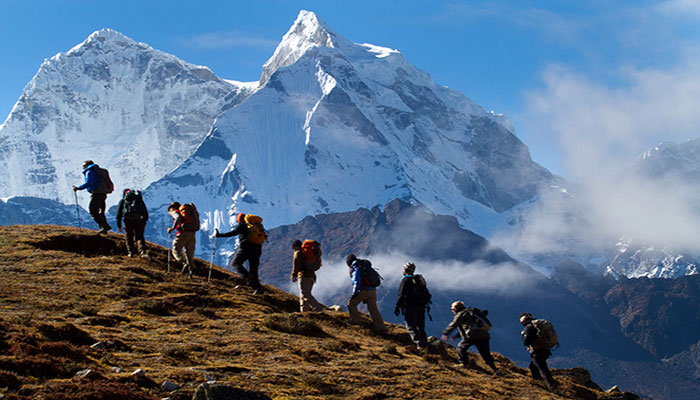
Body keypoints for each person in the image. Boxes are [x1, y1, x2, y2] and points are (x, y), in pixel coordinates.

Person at [441, 301, 500, 374]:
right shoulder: (471, 312)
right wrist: (457, 336)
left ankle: (463, 363)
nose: (452, 311)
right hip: (484, 334)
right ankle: (495, 369)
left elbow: (454, 324)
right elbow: (469, 326)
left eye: (452, 309)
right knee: (485, 353)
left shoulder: (461, 313)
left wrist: (446, 333)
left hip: (473, 334)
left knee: (461, 347)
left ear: (456, 308)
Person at [215, 212, 264, 294]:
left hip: (246, 247)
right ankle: (257, 287)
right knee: (253, 268)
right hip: (257, 248)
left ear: (238, 219)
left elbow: (233, 233)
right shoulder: (254, 225)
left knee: (236, 263)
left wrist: (220, 235)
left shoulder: (242, 224)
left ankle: (247, 278)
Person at [346, 254, 386, 333]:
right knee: (373, 309)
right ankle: (381, 327)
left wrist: (354, 293)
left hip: (364, 290)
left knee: (351, 304)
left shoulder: (356, 267)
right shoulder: (364, 265)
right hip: (373, 291)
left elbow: (356, 281)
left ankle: (357, 321)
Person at [394, 262, 430, 350]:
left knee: (410, 325)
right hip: (421, 306)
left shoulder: (405, 280)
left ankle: (420, 344)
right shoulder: (418, 280)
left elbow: (401, 294)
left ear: (405, 270)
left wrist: (397, 306)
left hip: (410, 306)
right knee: (420, 326)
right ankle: (425, 344)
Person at [72, 160, 112, 234]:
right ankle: (103, 229)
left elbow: (89, 183)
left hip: (96, 193)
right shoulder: (99, 171)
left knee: (93, 210)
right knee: (101, 211)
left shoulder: (90, 171)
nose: (83, 167)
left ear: (87, 165)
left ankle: (105, 226)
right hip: (103, 193)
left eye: (83, 166)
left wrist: (78, 188)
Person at [520, 312, 557, 389]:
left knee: (543, 369)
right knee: (533, 367)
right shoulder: (538, 326)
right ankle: (540, 383)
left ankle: (552, 386)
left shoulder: (529, 327)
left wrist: (523, 336)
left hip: (537, 351)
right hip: (546, 350)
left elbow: (527, 342)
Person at [291, 240, 325, 312]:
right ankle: (304, 312)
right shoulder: (307, 253)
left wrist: (293, 274)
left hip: (304, 275)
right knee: (303, 294)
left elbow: (296, 264)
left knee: (306, 294)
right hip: (312, 276)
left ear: (294, 247)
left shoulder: (298, 252)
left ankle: (318, 309)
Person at [115, 189, 149, 259]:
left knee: (129, 236)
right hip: (139, 220)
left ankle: (131, 252)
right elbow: (145, 212)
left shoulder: (123, 201)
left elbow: (119, 214)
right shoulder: (139, 200)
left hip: (128, 221)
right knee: (139, 236)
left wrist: (119, 225)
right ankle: (142, 251)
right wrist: (144, 221)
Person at [167, 202, 195, 278]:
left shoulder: (175, 212)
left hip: (182, 233)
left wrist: (172, 228)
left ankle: (184, 262)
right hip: (192, 233)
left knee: (175, 250)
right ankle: (191, 271)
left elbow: (177, 218)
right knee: (189, 253)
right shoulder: (187, 213)